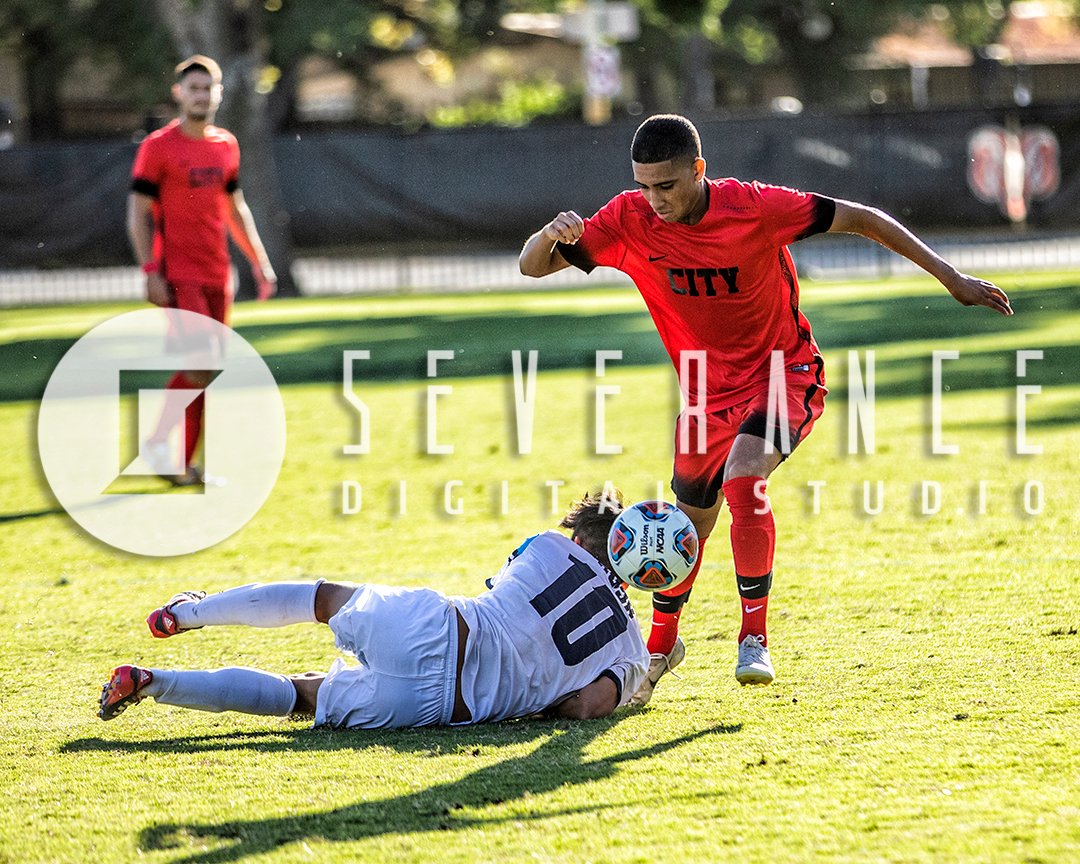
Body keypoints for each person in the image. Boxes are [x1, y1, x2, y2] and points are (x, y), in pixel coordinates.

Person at [519, 114, 1013, 703]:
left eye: (667, 186)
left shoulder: (755, 208)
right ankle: (661, 645)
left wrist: (952, 278)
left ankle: (753, 638)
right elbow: (532, 265)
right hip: (706, 395)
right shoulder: (628, 219)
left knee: (744, 478)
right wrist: (551, 234)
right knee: (685, 529)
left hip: (786, 374)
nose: (655, 200)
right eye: (644, 185)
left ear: (699, 170)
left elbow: (865, 218)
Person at [98, 492, 650, 728]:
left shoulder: (547, 546)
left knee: (319, 599)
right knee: (301, 695)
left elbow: (510, 599)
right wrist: (540, 702)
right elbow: (585, 707)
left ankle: (189, 613)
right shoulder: (630, 645)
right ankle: (153, 682)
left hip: (437, 627)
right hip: (444, 708)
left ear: (583, 534)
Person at [127, 54, 277, 486]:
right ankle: (158, 446)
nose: (201, 95)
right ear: (179, 94)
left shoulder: (225, 145)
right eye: (193, 88)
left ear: (219, 93)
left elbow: (235, 207)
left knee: (207, 370)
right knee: (197, 365)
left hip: (217, 273)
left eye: (208, 88)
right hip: (178, 273)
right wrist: (150, 270)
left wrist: (260, 263)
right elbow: (136, 213)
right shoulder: (158, 147)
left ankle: (183, 463)